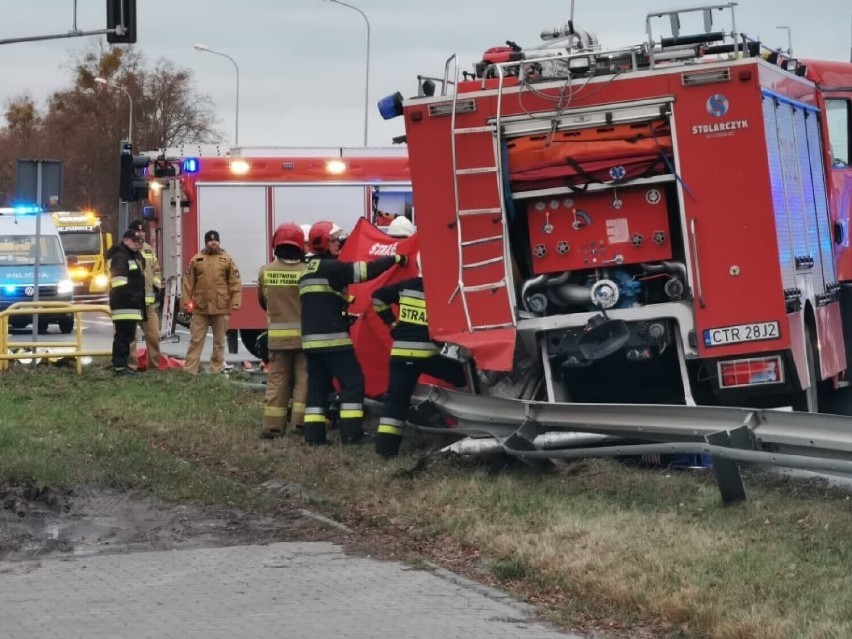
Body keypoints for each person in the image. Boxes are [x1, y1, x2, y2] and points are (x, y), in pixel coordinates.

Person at [299, 220, 407, 445]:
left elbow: (322, 303)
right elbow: (366, 272)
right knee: (353, 382)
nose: (338, 243)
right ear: (323, 243)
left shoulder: (307, 271)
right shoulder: (332, 268)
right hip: (333, 341)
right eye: (334, 239)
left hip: (311, 343)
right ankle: (352, 434)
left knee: (316, 389)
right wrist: (394, 258)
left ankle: (314, 436)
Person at [372, 254, 467, 457]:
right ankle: (469, 420)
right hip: (426, 355)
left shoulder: (405, 285)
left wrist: (390, 322)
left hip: (400, 354)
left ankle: (385, 450)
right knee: (463, 376)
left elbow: (377, 297)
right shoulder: (441, 290)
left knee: (395, 401)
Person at [257, 222, 308, 439]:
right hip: (304, 339)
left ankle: (272, 427)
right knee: (304, 382)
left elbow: (263, 302)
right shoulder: (307, 272)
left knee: (277, 382)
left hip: (277, 341)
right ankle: (300, 426)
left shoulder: (265, 271)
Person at [181, 229, 242, 374]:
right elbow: (188, 282)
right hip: (200, 306)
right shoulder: (197, 259)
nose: (213, 242)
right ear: (206, 242)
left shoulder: (227, 260)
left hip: (221, 306)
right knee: (196, 340)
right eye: (210, 240)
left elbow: (235, 281)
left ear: (219, 242)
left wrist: (236, 301)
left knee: (219, 342)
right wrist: (185, 302)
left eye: (216, 240)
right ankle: (190, 370)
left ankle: (216, 369)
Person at [106, 230, 146, 376]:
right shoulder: (121, 256)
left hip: (128, 305)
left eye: (139, 242)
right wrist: (134, 297)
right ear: (126, 240)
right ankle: (120, 367)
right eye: (135, 242)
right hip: (124, 305)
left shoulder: (128, 255)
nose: (138, 245)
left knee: (126, 336)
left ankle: (121, 366)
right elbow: (119, 283)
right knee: (123, 336)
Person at [127, 220, 162, 371]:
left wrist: (156, 285)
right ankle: (132, 366)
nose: (141, 234)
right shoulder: (125, 250)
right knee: (130, 338)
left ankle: (153, 368)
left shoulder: (148, 249)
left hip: (148, 304)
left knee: (154, 337)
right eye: (137, 231)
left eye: (143, 231)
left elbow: (156, 270)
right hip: (131, 302)